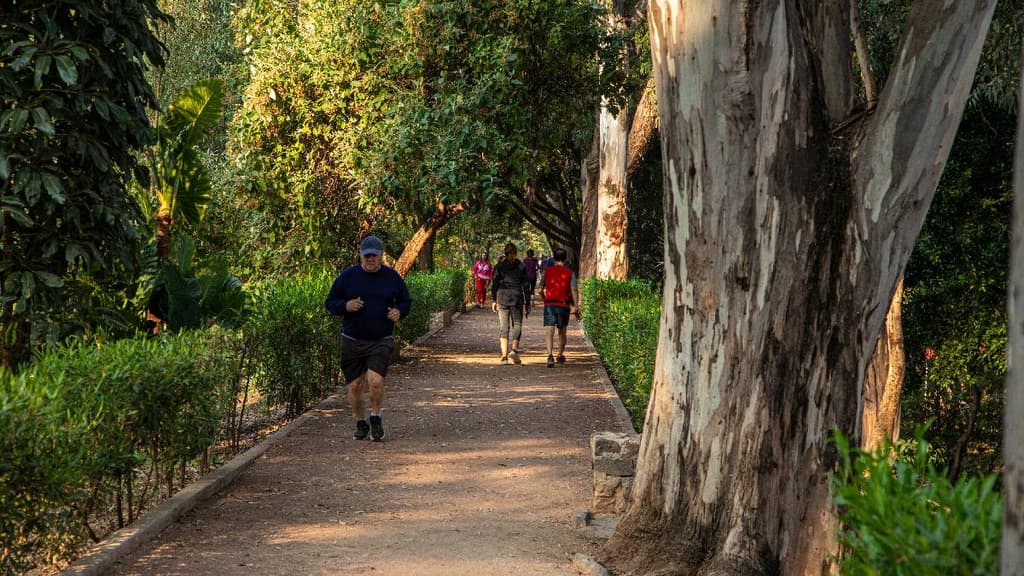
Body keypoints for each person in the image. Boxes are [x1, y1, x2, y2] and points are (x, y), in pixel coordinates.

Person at [325, 235, 412, 441]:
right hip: (352, 339)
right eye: (367, 256)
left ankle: (376, 416)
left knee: (375, 381)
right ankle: (360, 421)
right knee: (355, 386)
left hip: (380, 339)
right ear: (361, 256)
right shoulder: (347, 277)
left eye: (374, 256)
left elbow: (406, 301)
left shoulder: (392, 277)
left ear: (381, 256)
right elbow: (330, 302)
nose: (370, 260)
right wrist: (345, 306)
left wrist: (399, 311)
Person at [539, 248, 580, 368]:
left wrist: (545, 299)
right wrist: (576, 306)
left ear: (554, 258)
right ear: (565, 258)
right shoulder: (570, 273)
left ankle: (549, 355)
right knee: (562, 332)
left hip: (550, 305)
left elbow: (540, 289)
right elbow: (573, 289)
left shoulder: (546, 272)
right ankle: (560, 354)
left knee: (549, 332)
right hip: (563, 305)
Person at [490, 242, 530, 365]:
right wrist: (528, 302)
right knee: (517, 324)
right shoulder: (521, 266)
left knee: (504, 326)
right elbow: (526, 285)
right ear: (516, 253)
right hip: (517, 297)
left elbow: (495, 283)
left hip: (502, 297)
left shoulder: (499, 266)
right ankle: (514, 350)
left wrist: (493, 300)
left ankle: (504, 357)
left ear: (505, 253)